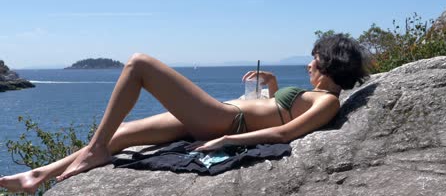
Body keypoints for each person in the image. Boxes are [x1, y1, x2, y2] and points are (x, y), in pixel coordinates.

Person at [0, 33, 368, 194]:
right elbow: (280, 115)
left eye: (314, 59)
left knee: (139, 63)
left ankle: (92, 153)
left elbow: (284, 134)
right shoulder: (316, 94)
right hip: (220, 115)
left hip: (223, 121)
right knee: (122, 133)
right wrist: (272, 88)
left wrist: (227, 139)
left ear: (328, 64)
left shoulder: (329, 101)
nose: (308, 63)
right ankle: (39, 175)